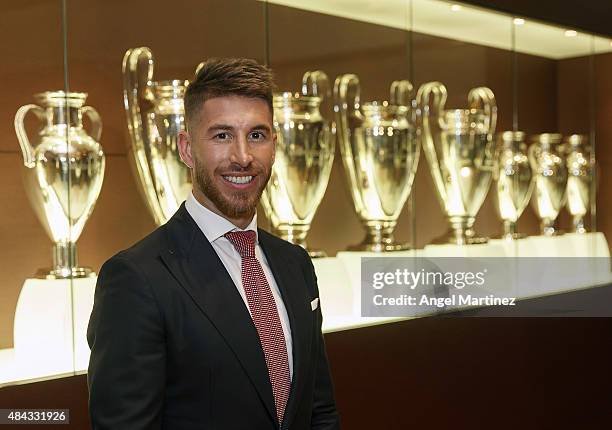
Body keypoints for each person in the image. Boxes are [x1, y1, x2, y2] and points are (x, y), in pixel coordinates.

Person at [87, 58, 340, 430]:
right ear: (187, 149)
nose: (243, 156)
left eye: (257, 135)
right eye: (222, 135)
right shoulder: (136, 279)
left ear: (274, 144)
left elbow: (319, 412)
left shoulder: (295, 264)